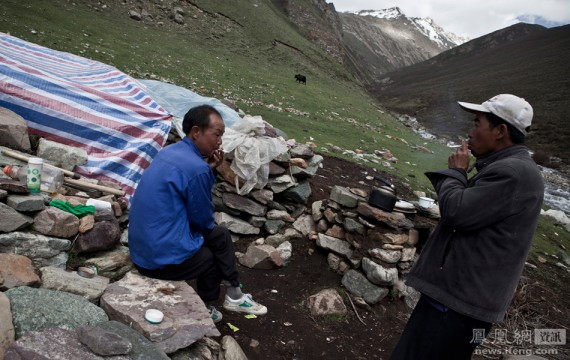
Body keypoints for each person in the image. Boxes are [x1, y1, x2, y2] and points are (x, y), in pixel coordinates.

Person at [390, 94, 543, 359]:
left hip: (460, 306)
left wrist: (457, 173)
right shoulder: (508, 166)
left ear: (500, 131)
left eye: (476, 123)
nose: (470, 132)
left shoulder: (513, 172)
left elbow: (457, 212)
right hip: (459, 299)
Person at [128, 105, 267, 323]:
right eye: (217, 134)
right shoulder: (196, 167)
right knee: (212, 257)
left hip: (142, 250)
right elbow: (202, 219)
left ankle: (234, 293)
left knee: (220, 236)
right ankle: (206, 307)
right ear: (196, 132)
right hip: (156, 261)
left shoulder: (171, 152)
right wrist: (207, 170)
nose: (220, 141)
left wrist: (209, 168)